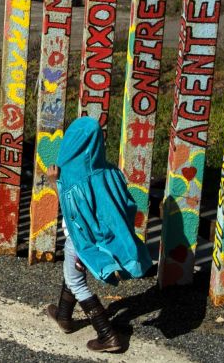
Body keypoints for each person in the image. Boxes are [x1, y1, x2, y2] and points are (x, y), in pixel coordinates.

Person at [45, 116, 152, 354]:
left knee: (76, 281)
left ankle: (107, 334)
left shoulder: (72, 180)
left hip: (81, 241)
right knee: (71, 273)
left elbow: (71, 213)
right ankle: (63, 316)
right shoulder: (110, 172)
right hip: (100, 238)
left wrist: (55, 183)